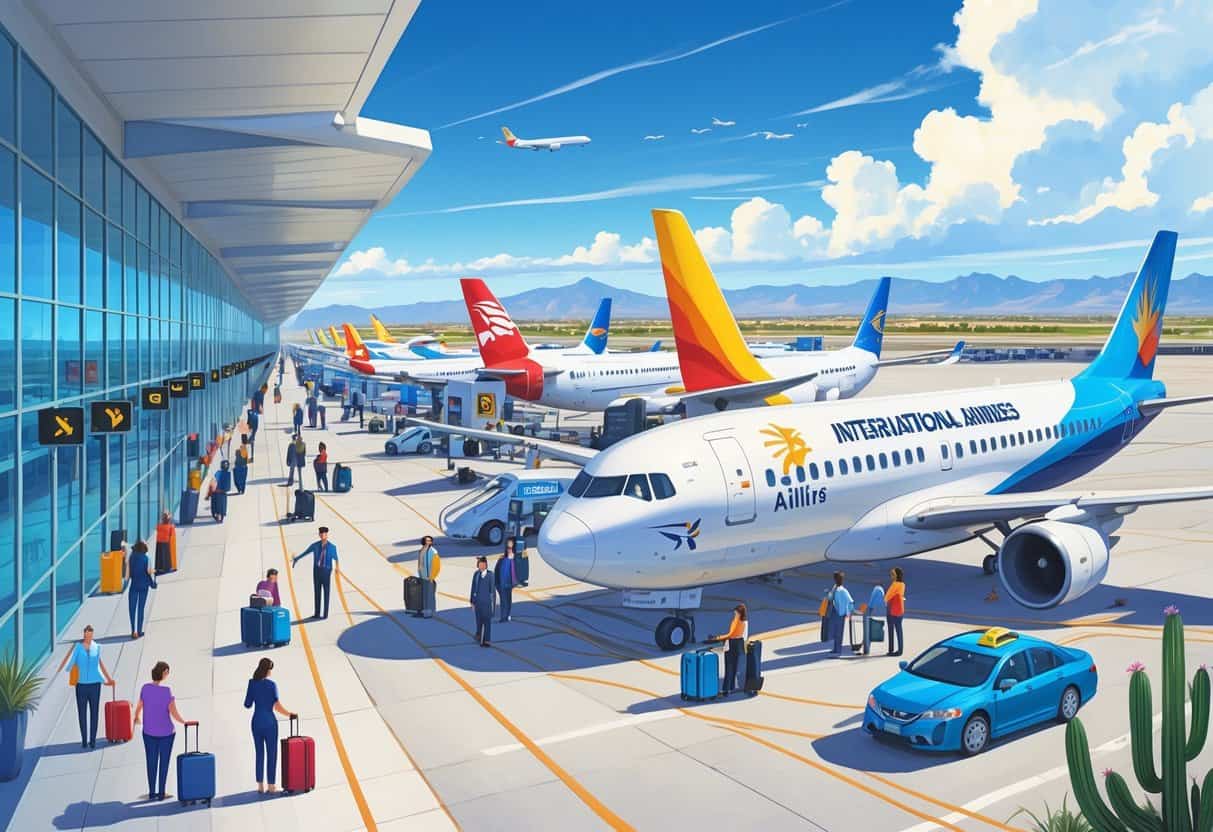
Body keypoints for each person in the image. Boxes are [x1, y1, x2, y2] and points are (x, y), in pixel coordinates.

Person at [55, 625, 116, 749]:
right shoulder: (78, 648)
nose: (88, 637)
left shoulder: (97, 647)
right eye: (86, 634)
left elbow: (100, 665)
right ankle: (84, 740)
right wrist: (64, 668)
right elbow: (72, 662)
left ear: (92, 635)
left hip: (95, 685)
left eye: (90, 635)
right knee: (82, 713)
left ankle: (92, 740)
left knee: (94, 713)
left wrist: (109, 679)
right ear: (84, 634)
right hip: (81, 685)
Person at [134, 661, 188, 801]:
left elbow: (140, 705)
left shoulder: (145, 688)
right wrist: (184, 722)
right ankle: (162, 793)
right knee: (164, 763)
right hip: (166, 734)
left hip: (148, 732)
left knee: (151, 762)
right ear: (164, 673)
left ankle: (152, 792)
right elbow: (173, 713)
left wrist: (136, 716)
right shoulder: (166, 691)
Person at [244, 658, 295, 794]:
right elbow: (276, 706)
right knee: (272, 754)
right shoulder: (272, 685)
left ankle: (260, 785)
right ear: (267, 670)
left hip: (256, 722)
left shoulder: (251, 683)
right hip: (270, 723)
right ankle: (271, 785)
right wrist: (289, 714)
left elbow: (247, 704)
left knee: (259, 753)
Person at [291, 527, 338, 619]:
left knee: (326, 592)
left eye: (324, 534)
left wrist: (336, 569)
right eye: (321, 534)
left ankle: (325, 614)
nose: (322, 535)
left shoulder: (332, 547)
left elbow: (336, 559)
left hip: (326, 571)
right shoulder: (315, 545)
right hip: (316, 570)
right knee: (317, 592)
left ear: (327, 535)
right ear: (319, 534)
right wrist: (296, 558)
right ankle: (317, 613)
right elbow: (305, 552)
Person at [711, 604, 749, 696]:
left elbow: (730, 634)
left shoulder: (736, 621)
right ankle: (731, 688)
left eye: (735, 612)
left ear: (739, 613)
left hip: (732, 644)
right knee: (735, 667)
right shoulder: (745, 622)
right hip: (740, 643)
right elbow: (744, 635)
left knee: (729, 667)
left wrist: (717, 638)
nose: (734, 613)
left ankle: (725, 690)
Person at [128, 541, 156, 639]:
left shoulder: (131, 558)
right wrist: (152, 584)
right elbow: (149, 573)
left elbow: (129, 573)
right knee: (141, 608)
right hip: (144, 586)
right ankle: (139, 631)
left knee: (132, 609)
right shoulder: (146, 559)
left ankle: (133, 631)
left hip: (134, 585)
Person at [469, 556, 496, 647]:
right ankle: (479, 635)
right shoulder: (476, 575)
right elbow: (473, 588)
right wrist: (472, 601)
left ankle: (487, 640)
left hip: (487, 603)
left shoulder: (490, 575)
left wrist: (493, 605)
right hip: (478, 602)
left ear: (485, 565)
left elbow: (492, 591)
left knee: (487, 621)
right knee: (478, 620)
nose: (480, 565)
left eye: (481, 563)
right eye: (479, 564)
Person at [830, 571, 854, 656]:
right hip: (837, 612)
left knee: (838, 632)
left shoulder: (841, 590)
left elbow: (850, 601)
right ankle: (836, 648)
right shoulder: (836, 588)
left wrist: (849, 612)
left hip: (840, 613)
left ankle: (837, 649)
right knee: (836, 632)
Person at [416, 535, 440, 618]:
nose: (428, 542)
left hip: (429, 577)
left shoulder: (433, 552)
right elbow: (420, 563)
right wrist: (419, 574)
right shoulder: (421, 550)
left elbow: (437, 566)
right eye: (427, 540)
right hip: (423, 576)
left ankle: (430, 612)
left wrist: (432, 576)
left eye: (430, 541)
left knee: (429, 594)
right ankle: (424, 610)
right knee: (424, 594)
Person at [495, 540, 517, 623]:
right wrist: (496, 582)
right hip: (501, 583)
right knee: (504, 600)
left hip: (508, 583)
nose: (509, 550)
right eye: (508, 548)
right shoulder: (502, 559)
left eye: (511, 548)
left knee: (507, 599)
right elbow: (497, 569)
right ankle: (504, 616)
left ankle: (505, 616)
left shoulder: (514, 559)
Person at [885, 567, 906, 657]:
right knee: (899, 630)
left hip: (892, 609)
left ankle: (891, 649)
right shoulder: (902, 585)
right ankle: (900, 650)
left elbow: (886, 597)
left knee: (891, 630)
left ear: (897, 575)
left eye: (893, 574)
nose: (891, 576)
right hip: (900, 609)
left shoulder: (895, 585)